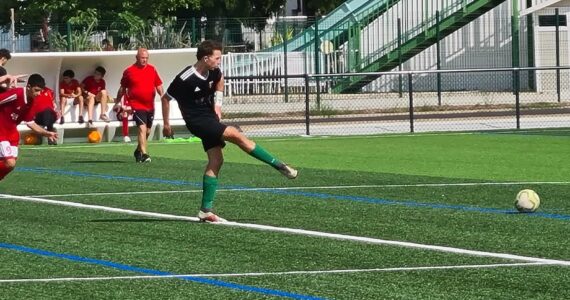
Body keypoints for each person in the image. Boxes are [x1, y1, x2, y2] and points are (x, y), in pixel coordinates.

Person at [161, 40, 298, 223]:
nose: (219, 61)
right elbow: (165, 98)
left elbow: (220, 81)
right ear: (205, 58)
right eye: (217, 58)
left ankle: (205, 211)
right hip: (197, 121)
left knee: (216, 160)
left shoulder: (214, 71)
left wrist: (218, 104)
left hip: (209, 117)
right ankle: (279, 165)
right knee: (235, 134)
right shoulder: (185, 78)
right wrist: (166, 124)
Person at [0, 70, 57, 182]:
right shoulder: (17, 94)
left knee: (10, 165)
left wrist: (46, 133)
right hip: (1, 131)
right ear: (28, 86)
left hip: (12, 134)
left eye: (40, 91)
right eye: (36, 90)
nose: (38, 94)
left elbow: (30, 123)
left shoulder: (31, 102)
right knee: (10, 163)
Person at [115, 48, 164, 157]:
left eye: (146, 58)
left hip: (150, 105)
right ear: (137, 57)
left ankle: (138, 150)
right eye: (142, 58)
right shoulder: (129, 71)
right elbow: (122, 88)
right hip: (136, 105)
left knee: (147, 131)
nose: (145, 60)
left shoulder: (152, 69)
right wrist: (117, 101)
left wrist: (162, 96)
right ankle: (145, 154)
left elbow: (158, 85)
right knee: (142, 128)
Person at [28, 74, 59, 145]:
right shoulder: (33, 93)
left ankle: (51, 136)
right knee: (46, 113)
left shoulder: (49, 91)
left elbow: (53, 102)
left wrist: (56, 110)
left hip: (49, 114)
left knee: (48, 112)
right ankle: (47, 135)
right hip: (38, 115)